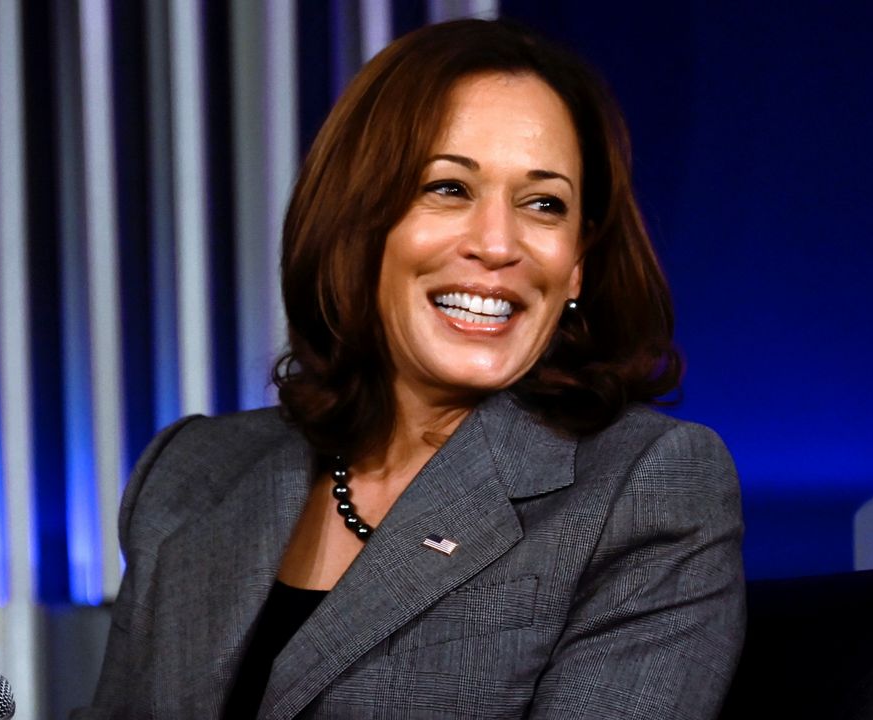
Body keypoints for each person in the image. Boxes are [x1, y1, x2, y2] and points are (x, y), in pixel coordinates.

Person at [74, 18, 745, 720]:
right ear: (357, 226)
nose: (496, 244)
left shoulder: (646, 488)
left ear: (577, 262)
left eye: (543, 204)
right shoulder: (191, 476)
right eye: (448, 189)